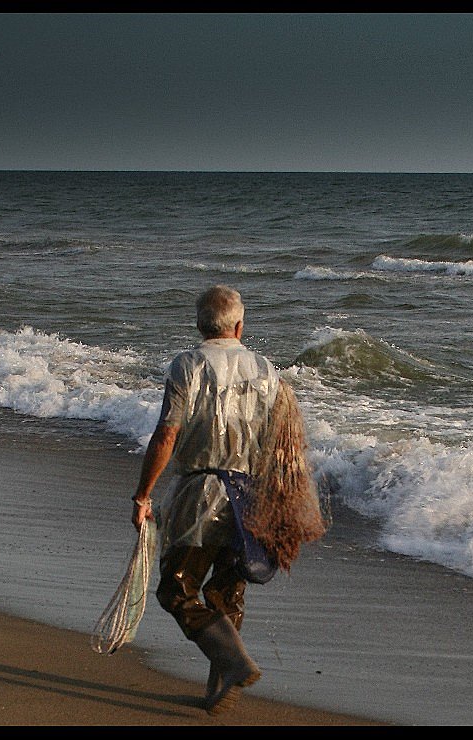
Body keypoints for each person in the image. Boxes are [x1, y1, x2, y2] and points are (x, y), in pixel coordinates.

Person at [130, 284, 325, 715]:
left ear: (200, 325)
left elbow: (167, 434)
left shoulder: (188, 365)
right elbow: (285, 449)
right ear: (239, 325)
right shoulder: (267, 371)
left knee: (175, 590)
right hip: (249, 497)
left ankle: (232, 664)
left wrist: (143, 494)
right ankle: (219, 688)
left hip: (199, 494)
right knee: (226, 591)